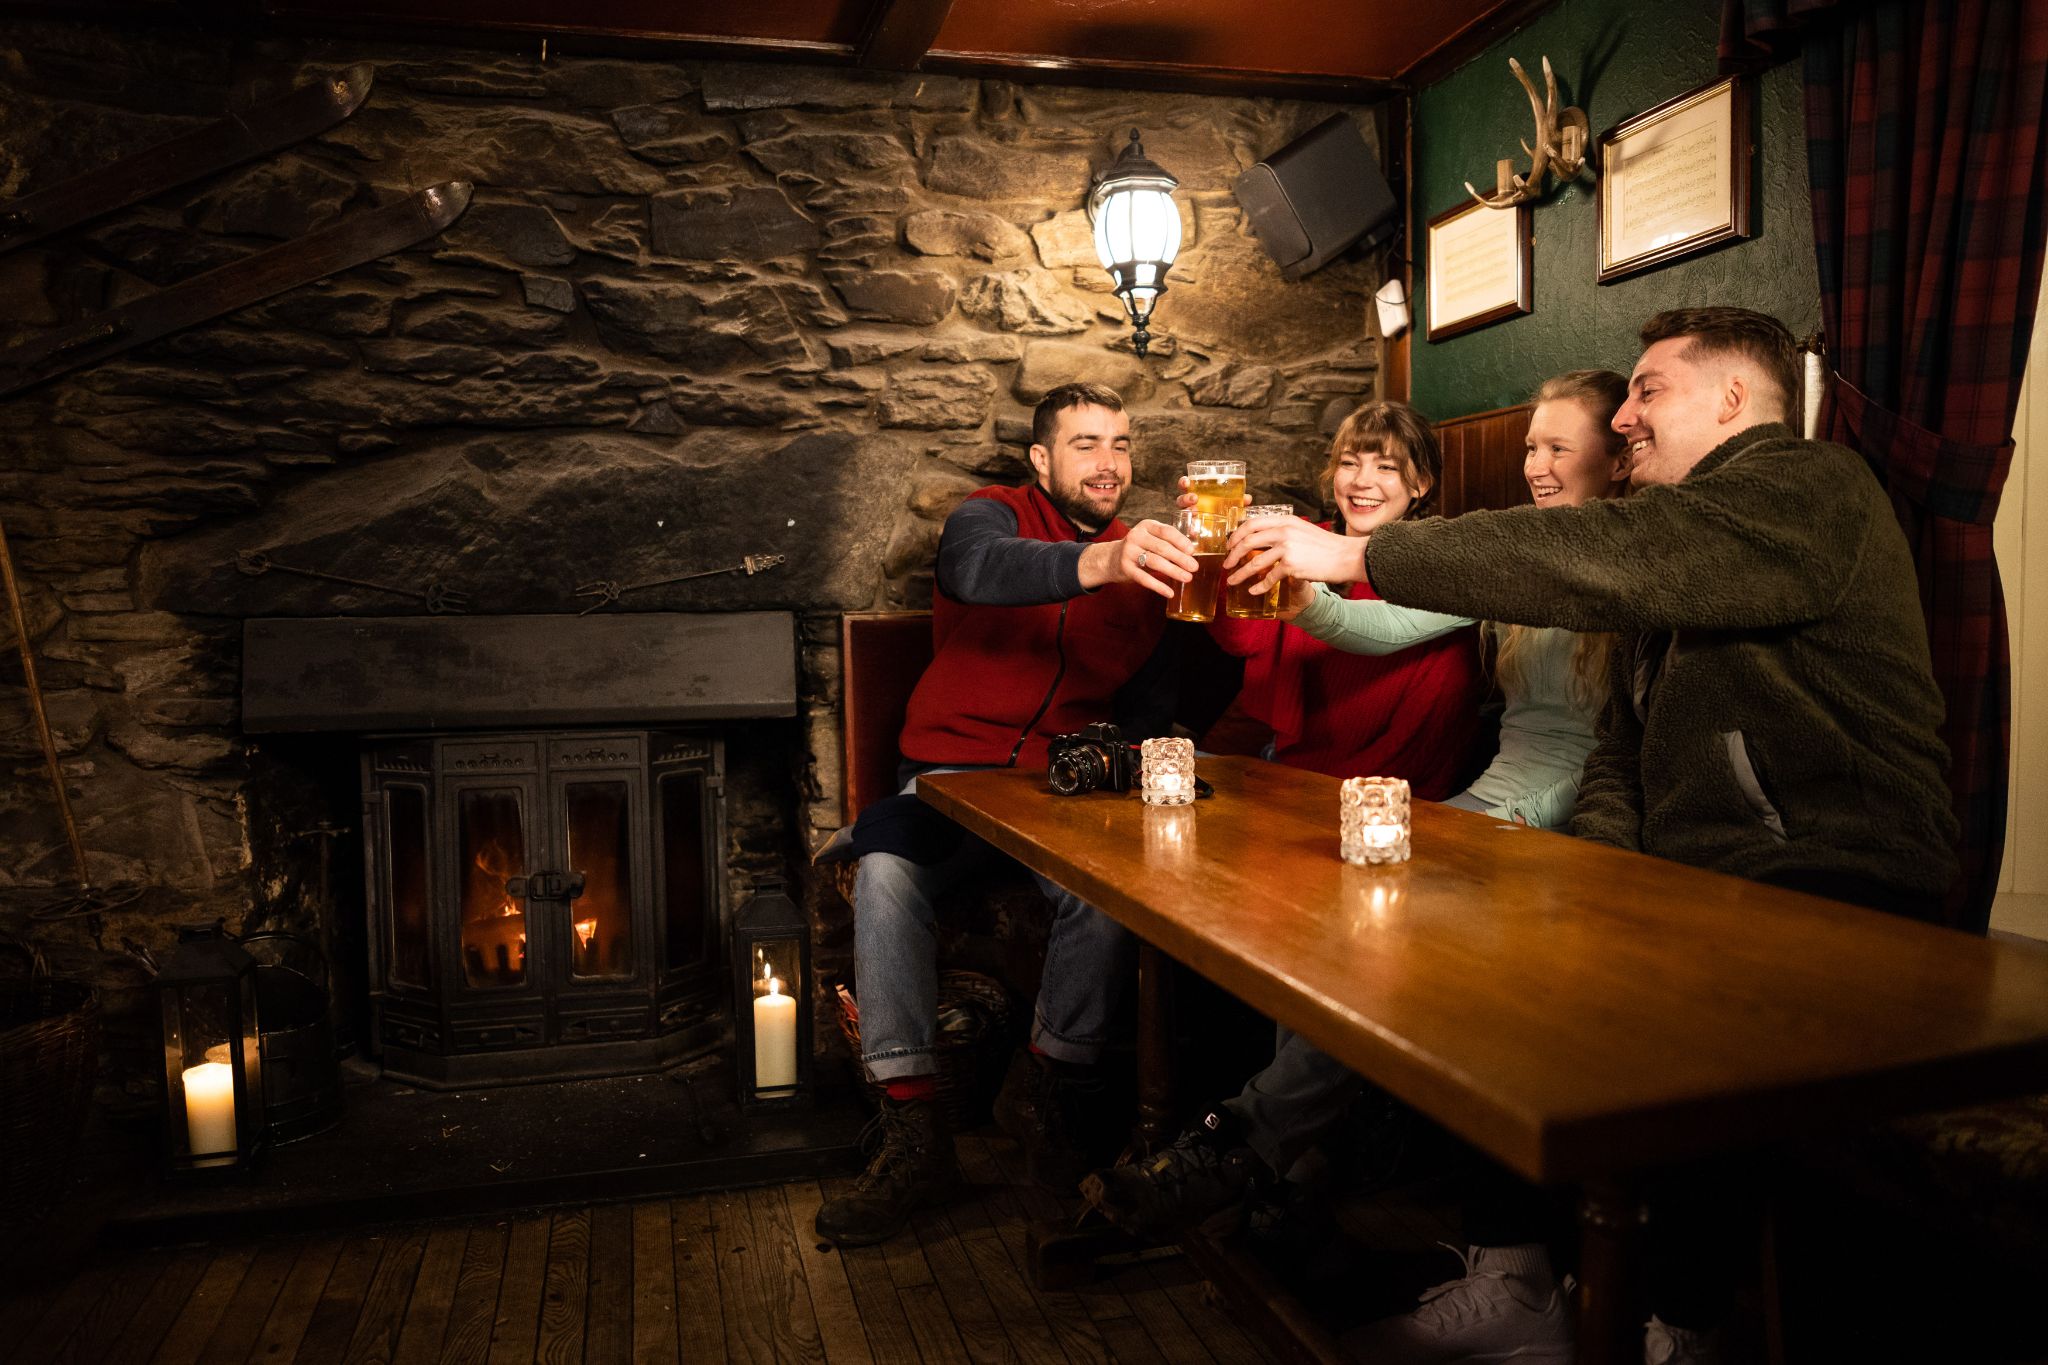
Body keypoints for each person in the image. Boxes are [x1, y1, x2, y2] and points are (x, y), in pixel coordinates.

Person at [1228, 308, 1961, 1364]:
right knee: (1476, 959)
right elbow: (1620, 750)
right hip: (1700, 883)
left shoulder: (1808, 490)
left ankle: (1676, 1326)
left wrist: (1354, 549)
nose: (1622, 419)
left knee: (1682, 1030)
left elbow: (1611, 551)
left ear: (1729, 400)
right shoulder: (1685, 542)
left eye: (1647, 391)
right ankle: (1517, 1277)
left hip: (1830, 885)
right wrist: (1588, 870)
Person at [1081, 377, 1631, 1326]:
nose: (1536, 466)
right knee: (1342, 917)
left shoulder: (1625, 559)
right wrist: (1298, 600)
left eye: (1558, 448)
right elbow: (1380, 626)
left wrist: (1493, 823)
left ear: (1617, 457)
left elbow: (1611, 757)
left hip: (1563, 811)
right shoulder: (1507, 552)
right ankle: (1282, 1172)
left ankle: (1247, 1147)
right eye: (1530, 447)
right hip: (1485, 803)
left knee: (1379, 933)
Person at [812, 381, 1201, 1249]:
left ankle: (1044, 1089)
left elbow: (1150, 710)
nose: (1109, 462)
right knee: (883, 876)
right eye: (1087, 443)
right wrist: (1101, 560)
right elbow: (975, 572)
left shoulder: (1151, 566)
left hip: (1057, 790)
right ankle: (916, 1135)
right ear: (1041, 458)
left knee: (1105, 901)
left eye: (1122, 444)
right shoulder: (989, 516)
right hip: (949, 771)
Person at [1204, 399, 1484, 795]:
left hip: (1379, 793)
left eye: (1385, 467)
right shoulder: (1304, 539)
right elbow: (1243, 640)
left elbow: (1425, 735)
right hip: (1285, 764)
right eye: (1349, 463)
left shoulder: (1437, 565)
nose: (1360, 481)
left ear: (1420, 483)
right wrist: (1222, 548)